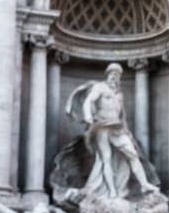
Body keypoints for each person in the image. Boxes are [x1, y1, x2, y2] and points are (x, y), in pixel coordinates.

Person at [67, 62, 158, 199]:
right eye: (112, 74)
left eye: (117, 74)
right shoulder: (100, 87)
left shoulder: (119, 94)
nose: (114, 77)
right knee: (106, 159)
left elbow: (122, 116)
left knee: (133, 155)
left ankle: (144, 184)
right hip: (102, 126)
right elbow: (88, 101)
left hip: (117, 127)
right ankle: (112, 192)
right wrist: (88, 116)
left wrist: (126, 131)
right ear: (107, 75)